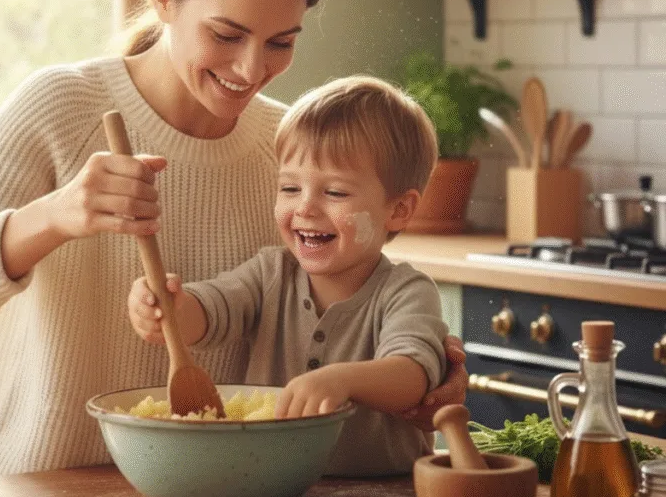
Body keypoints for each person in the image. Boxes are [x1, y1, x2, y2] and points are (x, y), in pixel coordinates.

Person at [0, 0, 467, 480]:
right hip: (38, 489)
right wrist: (54, 216)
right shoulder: (64, 106)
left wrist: (419, 382)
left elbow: (318, 323)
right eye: (226, 35)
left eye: (281, 43)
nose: (251, 70)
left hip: (209, 495)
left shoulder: (290, 151)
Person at [128, 76, 448, 476]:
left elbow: (412, 375)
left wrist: (340, 381)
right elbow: (211, 311)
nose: (305, 208)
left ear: (398, 209)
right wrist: (169, 308)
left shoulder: (406, 292)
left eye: (335, 193)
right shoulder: (270, 273)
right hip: (272, 488)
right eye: (290, 188)